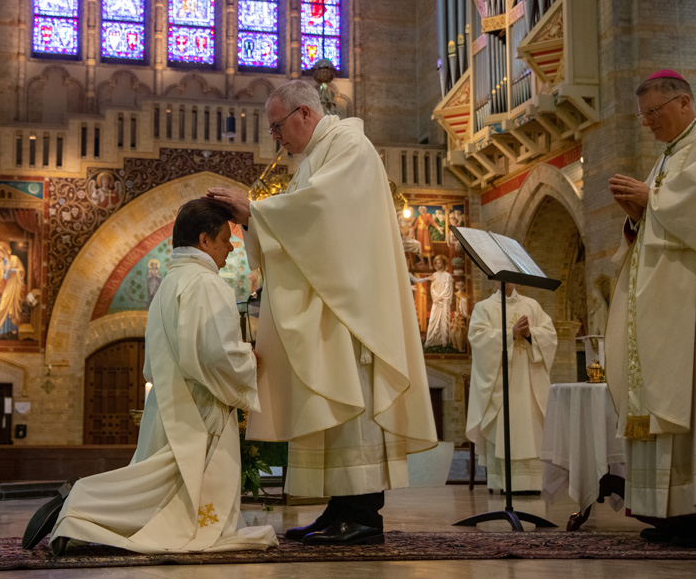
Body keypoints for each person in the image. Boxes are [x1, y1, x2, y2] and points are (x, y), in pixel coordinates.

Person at [207, 80, 437, 546]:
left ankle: (363, 516)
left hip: (354, 311)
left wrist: (255, 212)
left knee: (354, 407)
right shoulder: (317, 156)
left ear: (305, 114)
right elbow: (305, 224)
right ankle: (339, 509)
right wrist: (260, 218)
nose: (275, 137)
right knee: (335, 406)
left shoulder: (350, 146)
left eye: (277, 126)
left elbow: (323, 213)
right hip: (334, 304)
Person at [23, 199, 277, 555]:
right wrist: (248, 359)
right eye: (225, 240)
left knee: (160, 491)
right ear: (204, 240)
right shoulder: (207, 283)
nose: (231, 248)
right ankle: (80, 503)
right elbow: (215, 352)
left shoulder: (169, 284)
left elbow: (160, 359)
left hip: (169, 403)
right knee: (162, 492)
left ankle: (81, 513)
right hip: (199, 408)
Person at [606, 70, 696, 547]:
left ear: (683, 102)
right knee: (665, 398)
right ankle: (672, 511)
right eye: (643, 115)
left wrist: (653, 200)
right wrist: (635, 217)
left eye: (654, 112)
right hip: (663, 305)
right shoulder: (667, 156)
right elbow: (658, 213)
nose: (648, 122)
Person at [466, 283, 557, 493]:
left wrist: (530, 334)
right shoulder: (484, 308)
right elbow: (478, 339)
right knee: (504, 427)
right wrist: (510, 334)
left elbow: (550, 335)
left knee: (531, 426)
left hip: (529, 382)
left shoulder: (532, 305)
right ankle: (503, 483)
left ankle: (533, 483)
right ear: (493, 280)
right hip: (501, 385)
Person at [423, 255, 454, 349]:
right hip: (436, 301)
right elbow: (432, 288)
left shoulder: (448, 276)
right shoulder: (434, 275)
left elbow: (447, 288)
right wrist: (436, 298)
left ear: (444, 264)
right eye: (436, 263)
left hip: (444, 301)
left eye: (439, 263)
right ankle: (429, 340)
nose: (437, 265)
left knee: (444, 319)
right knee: (432, 319)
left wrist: (439, 297)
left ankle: (444, 340)